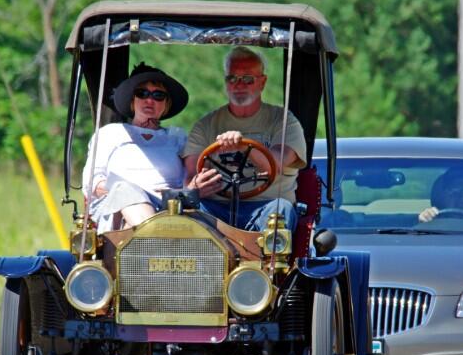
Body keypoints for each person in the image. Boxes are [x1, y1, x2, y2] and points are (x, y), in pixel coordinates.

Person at [182, 46, 306, 231]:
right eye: (232, 78)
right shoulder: (205, 125)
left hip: (266, 207)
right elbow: (191, 176)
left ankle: (273, 259)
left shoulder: (284, 121)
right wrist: (195, 186)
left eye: (247, 79)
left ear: (262, 82)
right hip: (217, 208)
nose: (239, 85)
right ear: (226, 82)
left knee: (281, 210)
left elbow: (276, 163)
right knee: (186, 211)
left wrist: (243, 145)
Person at [82, 63, 189, 232]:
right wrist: (138, 192)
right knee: (125, 190)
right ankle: (151, 235)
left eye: (158, 95)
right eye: (142, 93)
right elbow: (91, 182)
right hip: (116, 207)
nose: (149, 100)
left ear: (166, 103)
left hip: (170, 208)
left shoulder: (177, 138)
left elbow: (189, 180)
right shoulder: (110, 134)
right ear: (133, 100)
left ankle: (144, 240)